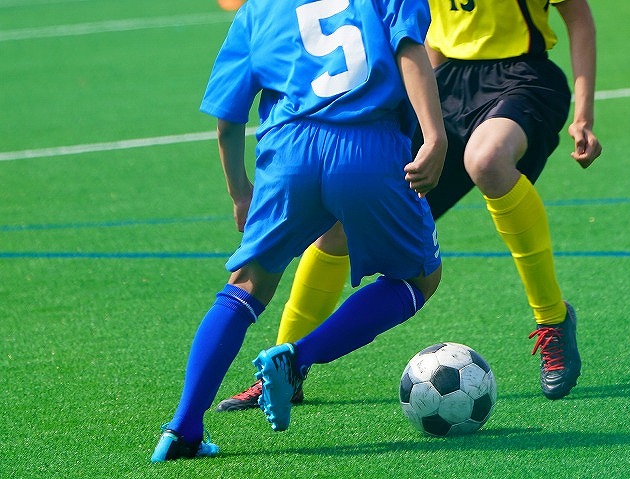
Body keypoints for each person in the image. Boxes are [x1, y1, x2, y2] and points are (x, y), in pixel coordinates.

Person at [216, 0, 602, 412]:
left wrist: (584, 114)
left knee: (486, 160)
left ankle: (552, 320)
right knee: (343, 221)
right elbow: (419, 39)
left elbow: (578, 16)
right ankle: (285, 366)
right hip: (446, 83)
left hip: (524, 78)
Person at [151, 0, 447, 462]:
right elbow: (410, 50)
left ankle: (183, 426)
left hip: (289, 154)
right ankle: (298, 357)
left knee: (248, 284)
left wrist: (239, 193)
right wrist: (434, 135)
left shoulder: (258, 9)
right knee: (418, 279)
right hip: (368, 148)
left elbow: (228, 120)